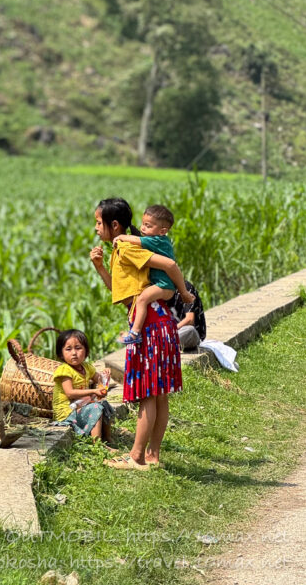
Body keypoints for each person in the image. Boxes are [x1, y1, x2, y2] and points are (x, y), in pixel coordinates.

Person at [90, 197, 185, 470]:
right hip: (160, 322)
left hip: (150, 326)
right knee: (159, 395)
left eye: (99, 222)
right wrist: (100, 268)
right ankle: (152, 455)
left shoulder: (127, 247)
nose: (96, 228)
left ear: (115, 225)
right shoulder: (120, 250)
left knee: (148, 395)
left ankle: (136, 456)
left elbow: (168, 264)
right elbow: (122, 294)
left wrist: (182, 290)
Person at [113, 204, 194, 345]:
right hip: (163, 285)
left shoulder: (157, 241)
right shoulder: (159, 240)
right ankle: (136, 331)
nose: (143, 228)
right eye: (143, 224)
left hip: (165, 285)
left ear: (162, 231)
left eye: (148, 226)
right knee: (143, 299)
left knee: (142, 299)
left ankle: (135, 333)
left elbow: (137, 240)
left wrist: (121, 237)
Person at [52, 329, 116, 444]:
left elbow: (99, 379)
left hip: (80, 406)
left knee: (104, 404)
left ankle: (108, 438)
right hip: (67, 412)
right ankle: (97, 443)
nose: (74, 353)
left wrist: (105, 377)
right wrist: (94, 390)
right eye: (68, 349)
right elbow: (70, 393)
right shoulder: (64, 370)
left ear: (86, 352)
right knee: (95, 407)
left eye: (78, 348)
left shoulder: (86, 367)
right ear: (61, 354)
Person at [168, 281, 206, 350]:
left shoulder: (186, 287)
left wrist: (170, 331)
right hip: (168, 333)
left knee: (190, 330)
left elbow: (189, 320)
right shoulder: (157, 289)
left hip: (185, 332)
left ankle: (163, 344)